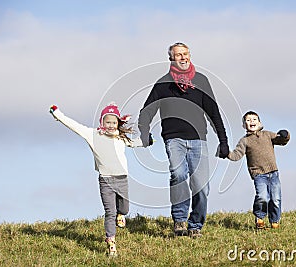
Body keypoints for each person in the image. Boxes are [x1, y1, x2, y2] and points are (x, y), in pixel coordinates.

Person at [138, 42, 229, 238]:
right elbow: (146, 111)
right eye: (178, 54)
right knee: (178, 175)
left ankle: (195, 225)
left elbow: (213, 112)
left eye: (185, 53)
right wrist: (144, 133)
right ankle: (180, 220)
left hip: (199, 140)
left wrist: (223, 141)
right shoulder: (163, 84)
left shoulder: (201, 81)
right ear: (171, 58)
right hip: (174, 139)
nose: (183, 57)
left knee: (201, 186)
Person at [49, 102, 151, 256]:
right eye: (107, 122)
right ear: (102, 122)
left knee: (124, 209)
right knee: (109, 212)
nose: (111, 125)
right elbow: (74, 125)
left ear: (118, 123)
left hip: (122, 179)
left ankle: (121, 214)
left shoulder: (120, 136)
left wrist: (147, 141)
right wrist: (57, 114)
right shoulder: (93, 135)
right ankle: (111, 242)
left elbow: (134, 143)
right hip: (105, 181)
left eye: (114, 122)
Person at [227, 111, 290, 229]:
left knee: (275, 198)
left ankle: (274, 221)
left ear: (259, 122)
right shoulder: (244, 141)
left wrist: (285, 135)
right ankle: (260, 218)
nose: (252, 122)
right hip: (258, 174)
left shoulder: (267, 135)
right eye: (248, 120)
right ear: (244, 125)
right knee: (262, 196)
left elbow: (281, 141)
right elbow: (237, 155)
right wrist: (227, 153)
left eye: (254, 119)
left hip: (273, 173)